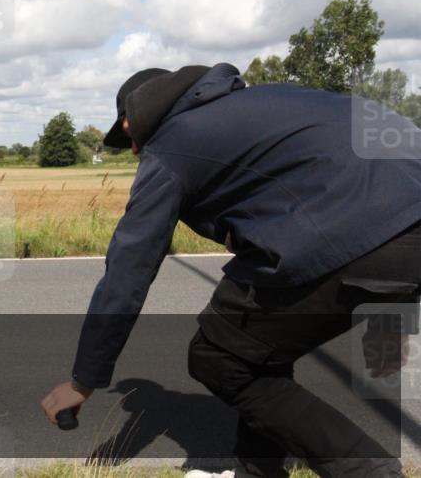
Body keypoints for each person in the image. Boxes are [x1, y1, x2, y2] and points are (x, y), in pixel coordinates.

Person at [40, 63, 421, 478]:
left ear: (134, 118)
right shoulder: (262, 103)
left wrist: (83, 380)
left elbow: (127, 270)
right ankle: (256, 471)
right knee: (254, 348)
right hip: (399, 219)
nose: (133, 152)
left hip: (353, 233)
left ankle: (370, 472)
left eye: (128, 138)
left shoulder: (173, 142)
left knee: (218, 356)